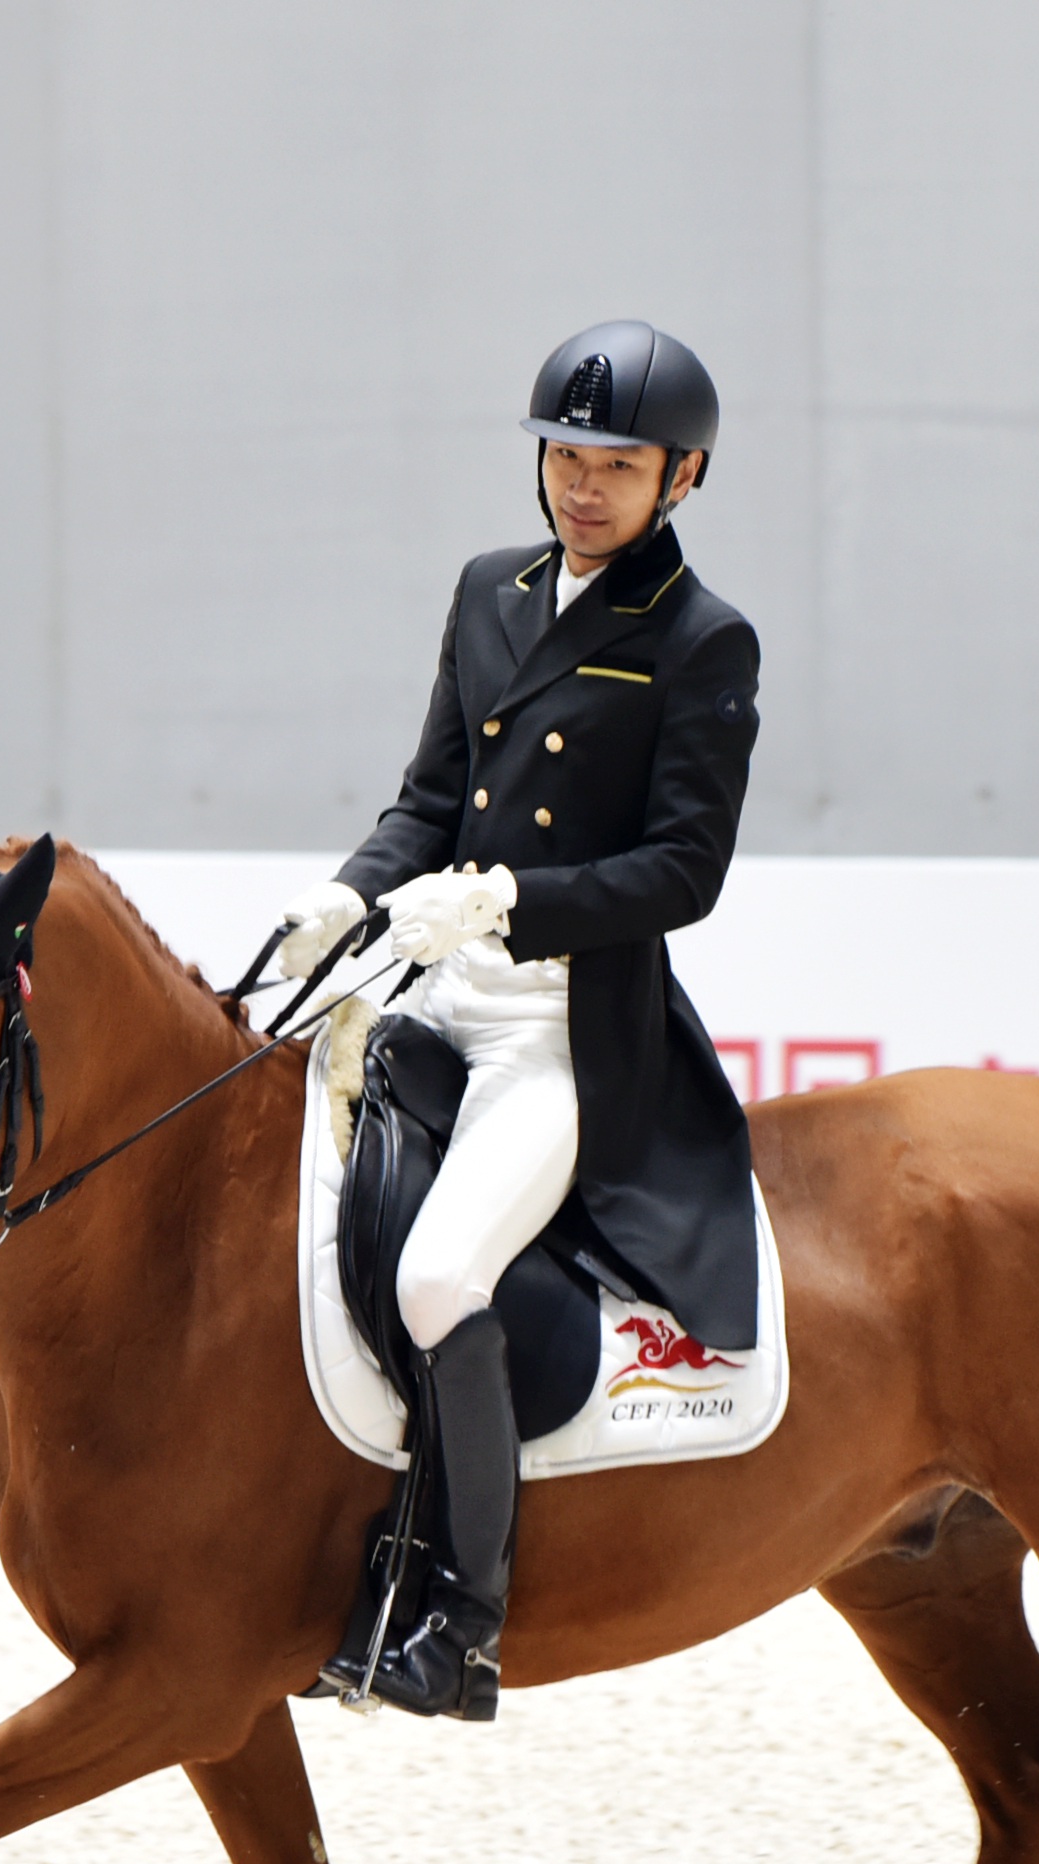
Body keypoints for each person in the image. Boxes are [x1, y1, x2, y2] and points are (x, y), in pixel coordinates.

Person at [273, 318, 767, 1721]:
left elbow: (685, 870)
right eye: (564, 456)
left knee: (438, 1280)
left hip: (559, 1032)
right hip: (437, 995)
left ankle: (458, 1622)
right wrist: (350, 894)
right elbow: (429, 796)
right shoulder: (488, 592)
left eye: (618, 464)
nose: (583, 486)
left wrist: (500, 902)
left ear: (681, 477)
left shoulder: (697, 637)